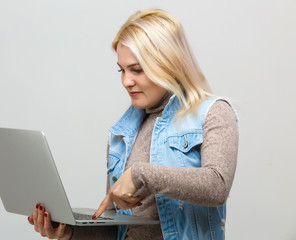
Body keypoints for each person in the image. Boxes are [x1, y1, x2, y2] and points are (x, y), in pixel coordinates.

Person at [27, 9, 239, 240]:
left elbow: (217, 186)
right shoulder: (122, 133)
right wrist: (68, 232)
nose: (126, 81)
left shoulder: (213, 113)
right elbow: (118, 228)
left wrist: (140, 174)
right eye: (122, 70)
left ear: (168, 63)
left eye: (137, 70)